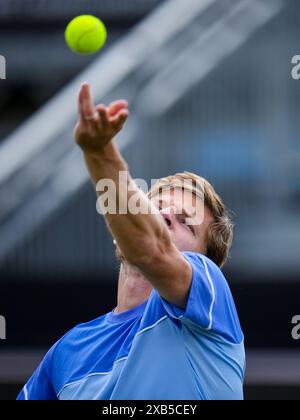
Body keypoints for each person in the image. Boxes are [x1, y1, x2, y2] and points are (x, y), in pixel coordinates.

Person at [17, 83, 245, 400]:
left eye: (186, 223)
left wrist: (99, 153)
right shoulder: (68, 349)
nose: (165, 217)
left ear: (202, 259)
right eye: (156, 210)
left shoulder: (209, 297)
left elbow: (151, 249)